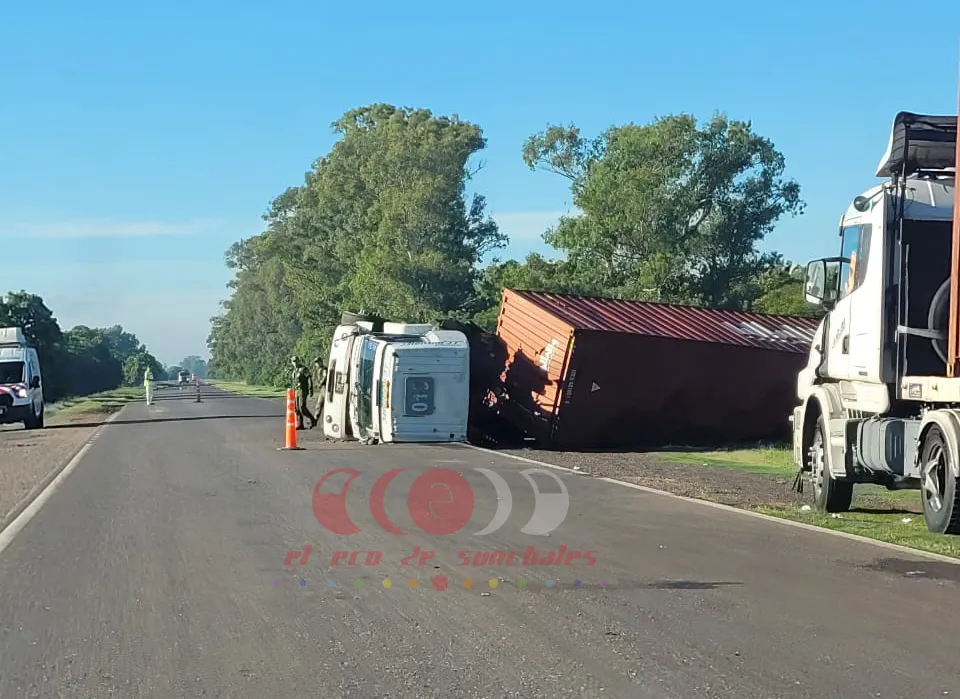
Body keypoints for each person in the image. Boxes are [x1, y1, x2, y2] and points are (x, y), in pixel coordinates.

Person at [290, 356, 316, 430]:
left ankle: (312, 420)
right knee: (296, 408)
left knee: (302, 407)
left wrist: (311, 389)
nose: (295, 363)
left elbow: (309, 378)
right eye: (293, 362)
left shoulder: (303, 369)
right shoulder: (294, 371)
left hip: (303, 390)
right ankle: (300, 424)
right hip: (296, 390)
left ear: (298, 361)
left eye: (296, 361)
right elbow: (294, 382)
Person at [313, 356, 328, 422]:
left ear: (321, 362)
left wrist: (320, 383)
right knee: (319, 404)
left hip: (325, 388)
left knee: (326, 403)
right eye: (316, 363)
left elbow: (325, 377)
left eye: (318, 362)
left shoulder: (324, 369)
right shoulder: (318, 370)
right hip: (322, 389)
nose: (317, 364)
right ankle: (315, 419)